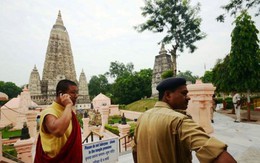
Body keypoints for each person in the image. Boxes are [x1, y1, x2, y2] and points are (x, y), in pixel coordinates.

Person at [132, 77, 236, 163]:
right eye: (184, 93)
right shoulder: (179, 120)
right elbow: (220, 157)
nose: (188, 98)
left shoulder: (142, 117)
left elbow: (135, 151)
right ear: (168, 95)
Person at [34, 79, 82, 163]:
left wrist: (68, 107)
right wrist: (68, 105)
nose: (76, 95)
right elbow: (58, 131)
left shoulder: (68, 112)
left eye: (76, 92)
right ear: (61, 94)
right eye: (73, 92)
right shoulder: (49, 112)